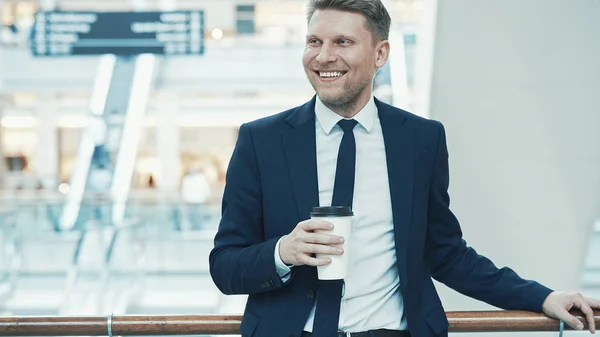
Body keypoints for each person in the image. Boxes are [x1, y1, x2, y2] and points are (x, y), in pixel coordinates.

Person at [209, 1, 600, 336]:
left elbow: (446, 254)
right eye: (315, 41)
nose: (323, 56)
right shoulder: (261, 141)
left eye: (342, 42)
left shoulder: (420, 140)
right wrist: (282, 252)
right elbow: (225, 266)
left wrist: (544, 297)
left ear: (380, 54)